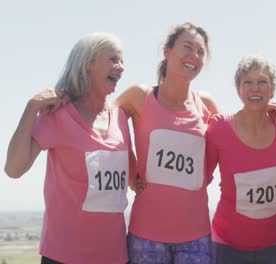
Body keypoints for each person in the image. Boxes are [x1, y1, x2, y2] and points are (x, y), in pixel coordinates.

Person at [4, 32, 133, 263]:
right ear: (88, 63)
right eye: (113, 59)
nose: (121, 67)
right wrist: (31, 108)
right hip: (63, 255)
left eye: (122, 61)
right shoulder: (57, 115)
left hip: (114, 255)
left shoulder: (121, 117)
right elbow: (14, 169)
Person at [116, 22, 218, 264]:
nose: (194, 56)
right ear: (167, 51)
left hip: (196, 237)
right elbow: (105, 125)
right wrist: (131, 172)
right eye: (187, 47)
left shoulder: (207, 105)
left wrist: (266, 113)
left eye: (201, 52)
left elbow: (230, 139)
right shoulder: (140, 97)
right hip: (146, 236)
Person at [206, 54, 276, 264]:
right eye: (248, 82)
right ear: (238, 89)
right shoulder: (220, 127)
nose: (255, 89)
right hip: (228, 246)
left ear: (272, 89)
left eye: (262, 82)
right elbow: (200, 177)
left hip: (275, 245)